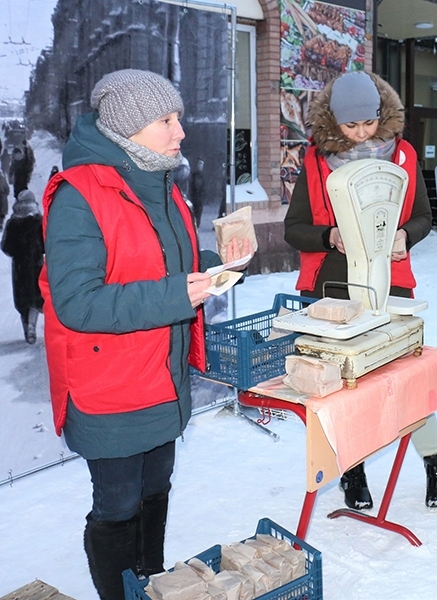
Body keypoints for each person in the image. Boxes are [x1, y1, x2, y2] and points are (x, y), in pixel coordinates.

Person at [39, 69, 250, 600]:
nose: (180, 132)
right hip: (110, 388)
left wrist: (211, 266)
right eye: (167, 120)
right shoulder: (80, 194)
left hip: (163, 376)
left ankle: (150, 585)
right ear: (127, 128)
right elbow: (78, 302)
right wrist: (179, 294)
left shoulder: (161, 183)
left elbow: (160, 266)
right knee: (117, 507)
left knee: (156, 492)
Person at [284, 70, 437, 510]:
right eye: (350, 125)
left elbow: (422, 216)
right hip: (333, 286)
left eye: (369, 123)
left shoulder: (404, 156)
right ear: (332, 122)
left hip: (390, 282)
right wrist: (330, 236)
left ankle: (436, 462)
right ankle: (352, 470)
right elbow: (294, 229)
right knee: (343, 387)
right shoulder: (315, 162)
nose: (361, 133)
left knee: (407, 380)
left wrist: (405, 236)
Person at [1, 189, 44, 343]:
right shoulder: (39, 220)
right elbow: (46, 243)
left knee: (22, 299)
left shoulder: (12, 222)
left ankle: (27, 328)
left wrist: (17, 251)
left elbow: (5, 246)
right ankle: (32, 325)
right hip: (36, 265)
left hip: (19, 268)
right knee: (36, 297)